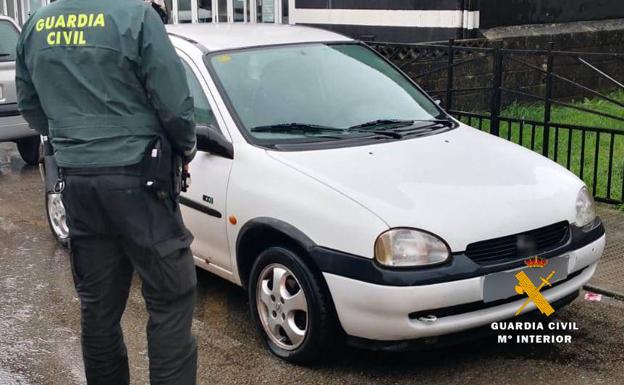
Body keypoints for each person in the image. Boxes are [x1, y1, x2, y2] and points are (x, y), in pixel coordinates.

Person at [15, 0, 198, 384]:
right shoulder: (137, 17)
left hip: (78, 184)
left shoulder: (36, 25)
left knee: (98, 309)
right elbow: (176, 106)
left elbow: (30, 107)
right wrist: (186, 148)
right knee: (170, 299)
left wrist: (74, 136)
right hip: (141, 182)